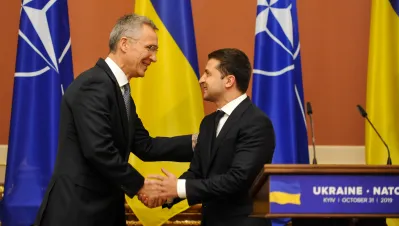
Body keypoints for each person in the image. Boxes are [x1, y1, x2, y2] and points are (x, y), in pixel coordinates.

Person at [34, 14, 197, 226]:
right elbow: (98, 149)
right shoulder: (93, 84)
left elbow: (145, 146)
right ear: (124, 44)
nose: (154, 58)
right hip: (77, 212)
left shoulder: (119, 91)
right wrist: (139, 185)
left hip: (104, 210)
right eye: (150, 48)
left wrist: (196, 142)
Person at [144, 48, 276, 226]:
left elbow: (237, 179)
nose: (201, 80)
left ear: (229, 81)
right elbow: (197, 172)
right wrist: (168, 194)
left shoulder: (256, 123)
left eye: (208, 74)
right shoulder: (208, 123)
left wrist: (179, 188)